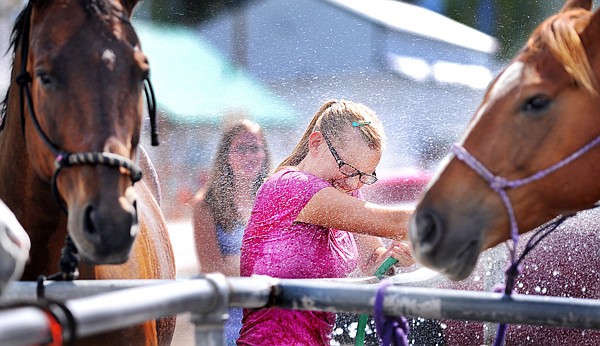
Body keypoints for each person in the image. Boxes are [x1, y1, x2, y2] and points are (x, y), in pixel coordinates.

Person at [237, 99, 414, 345]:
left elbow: (372, 260)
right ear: (316, 143)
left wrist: (392, 258)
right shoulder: (290, 186)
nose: (353, 184)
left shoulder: (345, 188)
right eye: (347, 169)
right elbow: (396, 223)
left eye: (365, 176)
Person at [192, 119, 271, 345]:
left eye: (255, 148)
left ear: (264, 153)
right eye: (241, 149)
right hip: (227, 320)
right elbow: (212, 269)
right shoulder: (206, 205)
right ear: (226, 154)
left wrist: (234, 263)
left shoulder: (274, 198)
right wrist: (269, 264)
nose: (249, 155)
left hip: (269, 314)